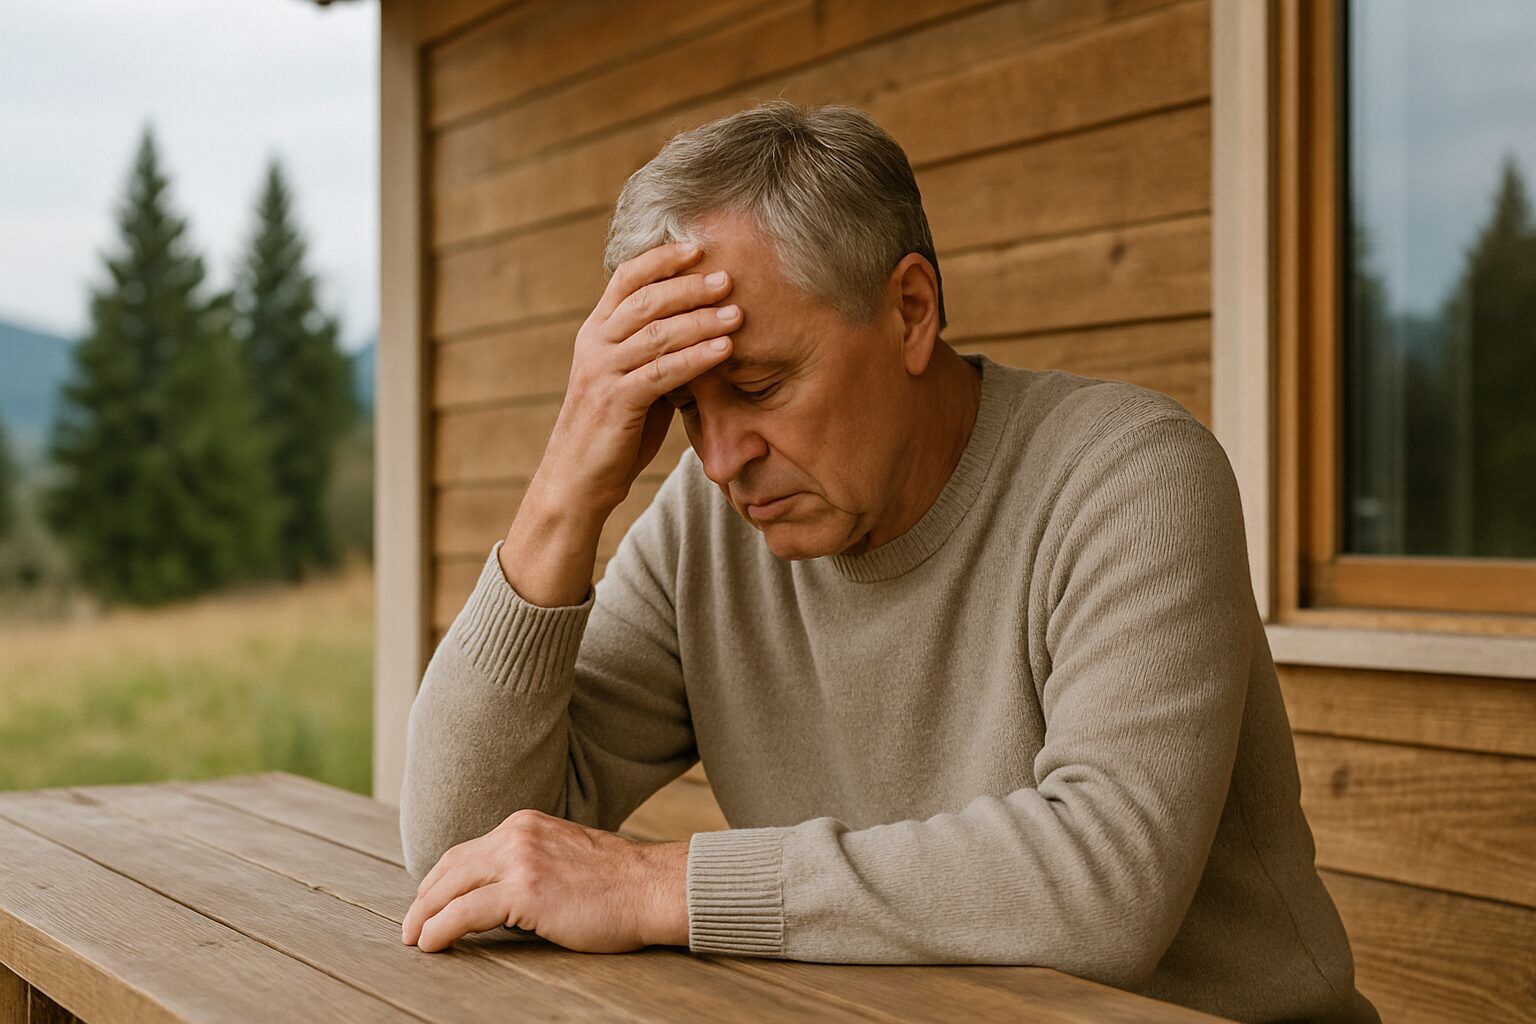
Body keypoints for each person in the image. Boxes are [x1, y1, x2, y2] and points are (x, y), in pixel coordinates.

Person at [396, 99, 1380, 1024]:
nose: (722, 456)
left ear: (910, 311)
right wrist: (565, 491)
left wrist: (659, 884)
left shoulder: (1128, 478)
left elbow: (1103, 886)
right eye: (687, 407)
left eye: (760, 383)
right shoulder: (707, 528)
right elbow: (459, 852)